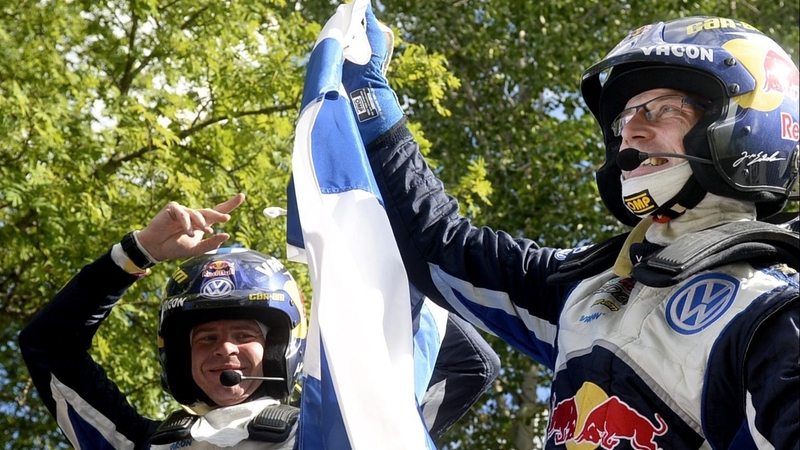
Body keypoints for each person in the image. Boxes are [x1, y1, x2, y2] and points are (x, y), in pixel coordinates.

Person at [340, 5, 799, 449]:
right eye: (624, 117)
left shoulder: (771, 314)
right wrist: (370, 98)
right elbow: (439, 246)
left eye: (661, 109)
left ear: (745, 129)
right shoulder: (586, 287)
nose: (630, 132)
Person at [19, 193, 500, 448]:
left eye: (243, 335)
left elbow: (466, 365)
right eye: (206, 338)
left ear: (281, 347)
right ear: (181, 357)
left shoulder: (343, 430)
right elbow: (48, 349)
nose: (223, 349)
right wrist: (136, 252)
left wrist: (367, 258)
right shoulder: (142, 445)